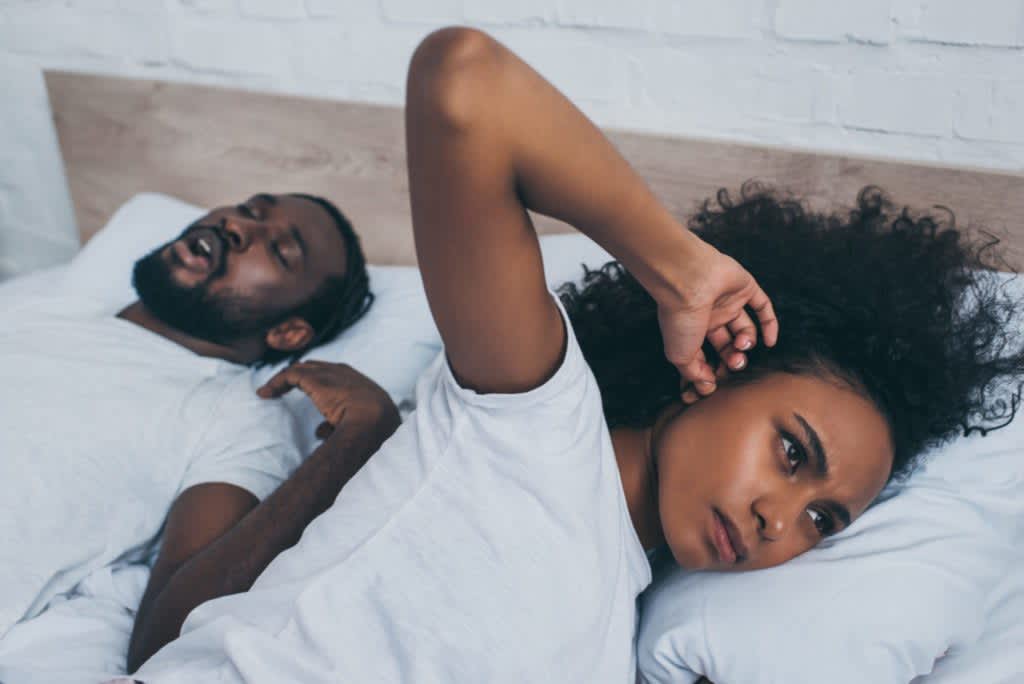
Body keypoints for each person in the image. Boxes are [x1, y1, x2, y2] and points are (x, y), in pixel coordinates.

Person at [128, 28, 1024, 683]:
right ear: (716, 365)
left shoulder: (620, 635)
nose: (776, 525)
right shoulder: (532, 419)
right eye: (793, 455)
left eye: (822, 522)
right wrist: (678, 272)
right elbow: (464, 84)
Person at [0, 192, 377, 675]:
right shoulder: (44, 307)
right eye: (249, 209)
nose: (238, 227)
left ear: (288, 335)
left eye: (282, 252)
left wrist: (358, 438)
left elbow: (172, 638)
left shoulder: (240, 415)